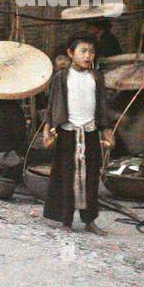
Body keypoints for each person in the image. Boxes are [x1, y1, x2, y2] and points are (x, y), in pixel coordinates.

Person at [40, 34, 112, 233]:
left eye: (92, 51)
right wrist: (47, 130)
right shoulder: (61, 78)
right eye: (83, 51)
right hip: (68, 133)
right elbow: (51, 106)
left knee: (91, 176)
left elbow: (102, 106)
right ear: (71, 53)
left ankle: (89, 221)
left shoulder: (96, 77)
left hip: (89, 132)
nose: (88, 55)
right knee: (66, 176)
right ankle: (66, 221)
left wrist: (106, 131)